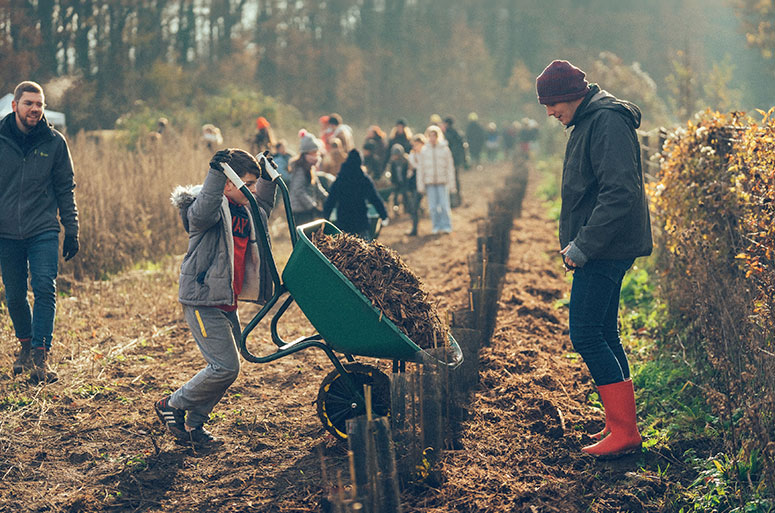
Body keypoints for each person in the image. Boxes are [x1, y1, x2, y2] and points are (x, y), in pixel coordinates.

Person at [536, 59, 652, 458]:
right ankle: (622, 426)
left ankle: (624, 432)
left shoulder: (605, 121)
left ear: (570, 95)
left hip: (605, 248)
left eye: (552, 104)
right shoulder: (589, 120)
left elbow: (620, 193)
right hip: (603, 247)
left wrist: (583, 245)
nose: (550, 112)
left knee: (585, 333)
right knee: (604, 333)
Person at [156, 148, 277, 446]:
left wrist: (269, 178)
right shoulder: (204, 211)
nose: (251, 191)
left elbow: (262, 206)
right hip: (202, 298)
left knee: (226, 371)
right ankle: (171, 404)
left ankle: (195, 425)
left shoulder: (245, 209)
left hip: (226, 298)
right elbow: (204, 209)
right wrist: (216, 172)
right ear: (227, 184)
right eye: (246, 184)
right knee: (225, 367)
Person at [0, 81, 79, 384]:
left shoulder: (54, 142)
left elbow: (65, 188)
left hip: (43, 228)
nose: (35, 109)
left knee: (45, 287)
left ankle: (40, 355)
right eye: (29, 103)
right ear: (15, 105)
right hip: (6, 232)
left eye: (40, 104)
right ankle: (24, 344)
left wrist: (71, 229)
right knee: (15, 294)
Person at [322, 149, 389, 240]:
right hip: (360, 222)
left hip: (343, 221)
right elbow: (374, 198)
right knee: (363, 250)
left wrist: (326, 217)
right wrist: (384, 215)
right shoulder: (364, 179)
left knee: (345, 249)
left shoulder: (340, 179)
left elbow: (331, 200)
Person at [415, 125, 456, 235]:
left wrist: (452, 184)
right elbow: (421, 169)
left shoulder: (445, 149)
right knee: (433, 207)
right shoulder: (424, 151)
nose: (432, 138)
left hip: (442, 182)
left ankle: (446, 226)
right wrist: (420, 185)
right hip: (430, 183)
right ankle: (436, 226)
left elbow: (450, 167)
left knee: (444, 205)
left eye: (434, 136)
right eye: (430, 136)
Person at [288, 129, 328, 226]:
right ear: (305, 154)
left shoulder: (310, 168)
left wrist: (328, 198)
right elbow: (298, 191)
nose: (316, 156)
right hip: (300, 211)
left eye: (316, 153)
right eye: (313, 153)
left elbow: (317, 187)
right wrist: (312, 206)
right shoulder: (300, 170)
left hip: (306, 210)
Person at [442, 116, 466, 207]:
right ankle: (458, 199)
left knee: (449, 180)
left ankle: (452, 200)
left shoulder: (445, 135)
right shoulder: (457, 133)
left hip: (449, 161)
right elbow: (463, 147)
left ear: (447, 124)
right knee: (455, 179)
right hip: (456, 161)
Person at [406, 134, 426, 236]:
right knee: (413, 207)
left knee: (415, 206)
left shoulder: (425, 156)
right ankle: (415, 228)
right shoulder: (412, 156)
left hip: (422, 183)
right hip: (413, 184)